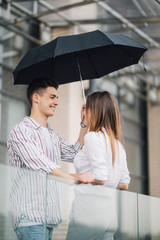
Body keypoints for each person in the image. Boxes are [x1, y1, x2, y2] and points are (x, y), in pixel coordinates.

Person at [7, 77, 94, 240]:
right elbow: (40, 165)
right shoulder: (21, 131)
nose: (57, 102)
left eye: (57, 98)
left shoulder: (51, 134)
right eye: (52, 97)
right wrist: (74, 178)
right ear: (36, 98)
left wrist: (84, 124)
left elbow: (74, 153)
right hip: (30, 218)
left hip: (48, 218)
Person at [66, 91, 130, 240]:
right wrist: (84, 125)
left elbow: (100, 177)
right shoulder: (117, 144)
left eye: (87, 107)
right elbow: (124, 183)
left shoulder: (93, 137)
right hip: (108, 214)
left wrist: (72, 177)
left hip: (88, 213)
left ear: (93, 110)